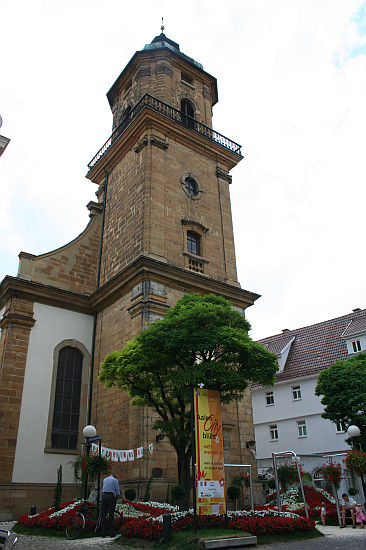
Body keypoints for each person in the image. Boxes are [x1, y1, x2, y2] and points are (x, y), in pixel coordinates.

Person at [100, 470, 121, 538]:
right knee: (111, 514)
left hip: (104, 496)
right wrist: (116, 497)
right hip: (110, 496)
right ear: (114, 474)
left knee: (103, 515)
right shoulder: (115, 480)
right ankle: (111, 532)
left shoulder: (105, 479)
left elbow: (103, 488)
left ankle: (103, 533)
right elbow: (117, 491)